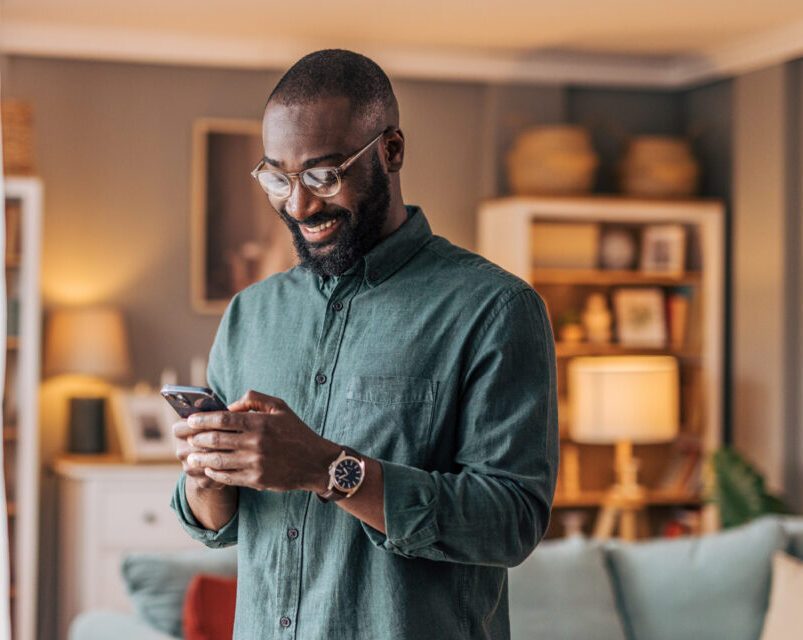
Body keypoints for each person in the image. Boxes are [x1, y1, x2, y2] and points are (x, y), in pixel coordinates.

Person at [171, 49, 558, 640]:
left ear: (391, 150)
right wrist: (207, 476)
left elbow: (511, 522)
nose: (298, 205)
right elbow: (215, 526)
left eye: (324, 175)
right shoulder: (251, 313)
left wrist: (329, 469)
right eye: (277, 177)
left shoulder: (494, 309)